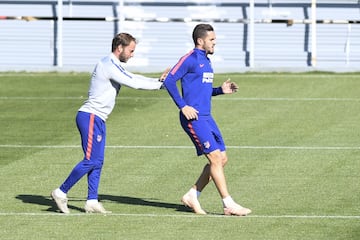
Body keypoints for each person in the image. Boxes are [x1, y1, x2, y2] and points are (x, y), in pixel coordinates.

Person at [51, 33, 169, 214]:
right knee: (91, 160)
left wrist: (158, 82)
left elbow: (133, 76)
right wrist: (160, 84)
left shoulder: (115, 65)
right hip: (90, 116)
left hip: (98, 119)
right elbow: (133, 82)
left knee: (97, 161)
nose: (132, 54)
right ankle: (61, 192)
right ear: (119, 48)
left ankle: (91, 201)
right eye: (131, 50)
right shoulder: (107, 64)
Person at [163, 24, 251, 216]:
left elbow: (201, 91)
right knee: (215, 158)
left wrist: (220, 90)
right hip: (193, 118)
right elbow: (169, 80)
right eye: (212, 39)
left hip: (207, 117)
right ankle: (228, 204)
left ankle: (192, 194)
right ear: (200, 41)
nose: (215, 42)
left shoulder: (206, 61)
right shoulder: (190, 58)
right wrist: (183, 106)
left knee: (222, 158)